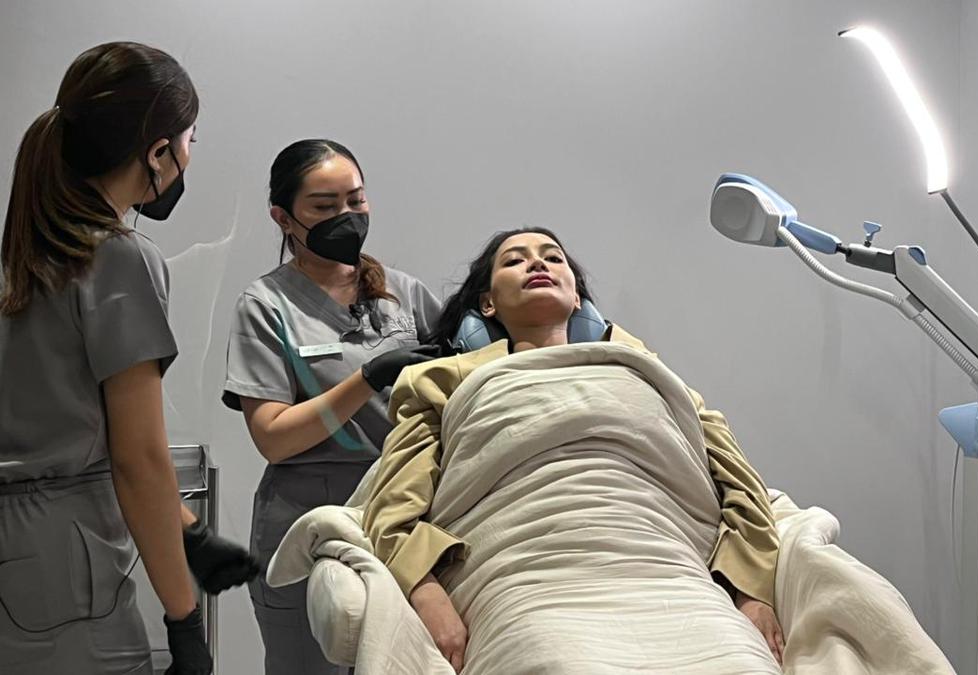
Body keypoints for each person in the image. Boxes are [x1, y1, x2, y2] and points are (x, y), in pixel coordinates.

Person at [362, 227, 785, 673]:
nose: (537, 263)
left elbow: (739, 481)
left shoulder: (648, 374)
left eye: (552, 257)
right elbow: (393, 506)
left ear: (577, 298)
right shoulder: (441, 381)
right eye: (514, 260)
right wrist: (427, 592)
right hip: (527, 574)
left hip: (665, 566)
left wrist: (750, 591)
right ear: (488, 304)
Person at [0, 42, 254, 675]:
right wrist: (185, 622)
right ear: (158, 152)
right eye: (191, 140)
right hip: (64, 565)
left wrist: (188, 529)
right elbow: (136, 458)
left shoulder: (26, 258)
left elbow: (56, 423)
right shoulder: (116, 257)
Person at [222, 139, 442, 674]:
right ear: (283, 218)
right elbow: (274, 437)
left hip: (404, 514)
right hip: (306, 526)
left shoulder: (404, 295)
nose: (347, 216)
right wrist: (367, 379)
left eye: (356, 200)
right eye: (324, 206)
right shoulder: (266, 306)